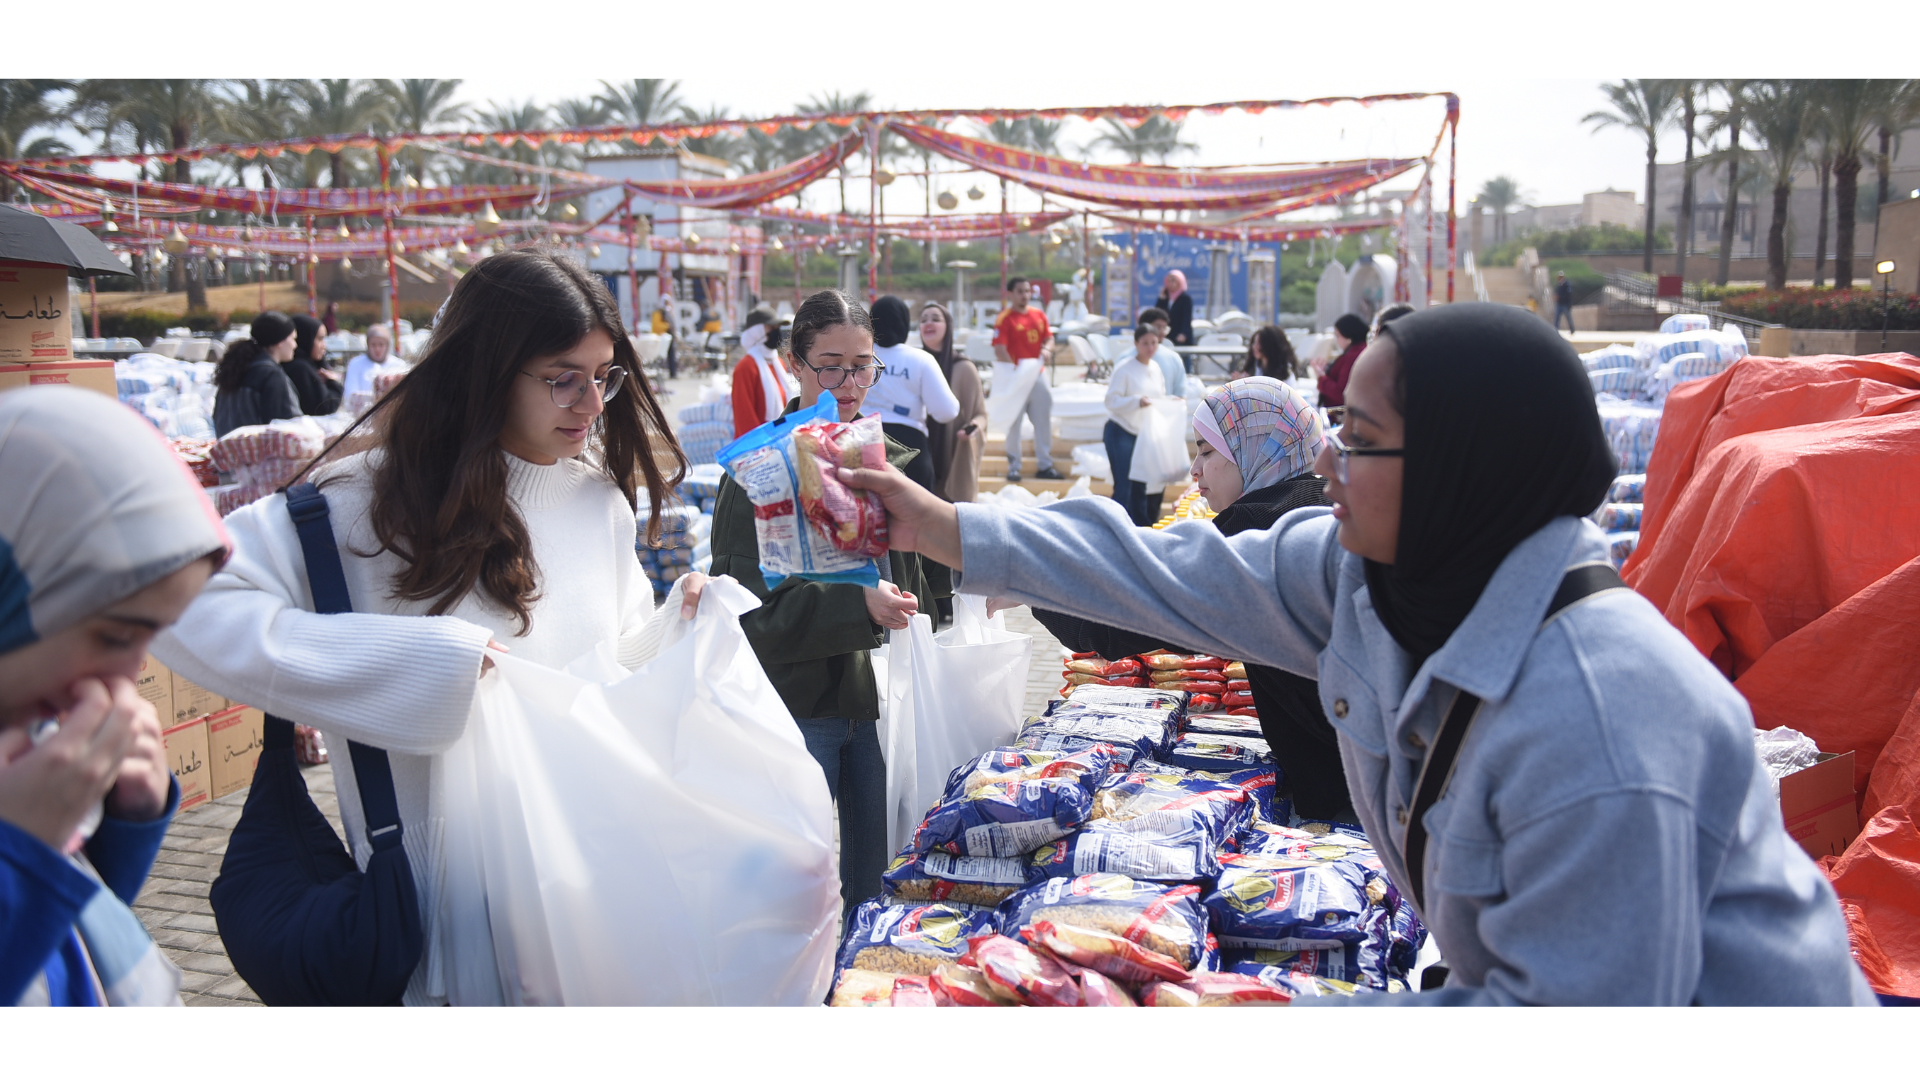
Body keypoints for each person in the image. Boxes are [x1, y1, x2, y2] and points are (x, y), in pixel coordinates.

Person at [841, 302, 1873, 1006]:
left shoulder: (1604, 723)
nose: (1329, 455)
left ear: (1464, 468)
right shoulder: (1365, 580)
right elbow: (1156, 571)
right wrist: (941, 527)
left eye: (1363, 436)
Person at [153, 250, 703, 1006]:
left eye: (603, 376)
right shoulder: (351, 507)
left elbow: (609, 671)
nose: (591, 402)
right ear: (483, 369)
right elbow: (181, 603)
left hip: (580, 902)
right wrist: (412, 663)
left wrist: (680, 629)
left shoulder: (596, 504)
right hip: (430, 933)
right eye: (562, 377)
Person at [708, 288, 948, 913]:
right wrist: (858, 610)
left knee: (876, 882)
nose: (848, 382)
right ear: (794, 362)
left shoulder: (878, 459)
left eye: (862, 365)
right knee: (793, 890)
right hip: (797, 709)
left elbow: (913, 572)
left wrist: (969, 584)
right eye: (831, 364)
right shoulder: (760, 469)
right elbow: (748, 615)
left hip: (873, 706)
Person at [1027, 377, 1353, 820]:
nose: (1194, 470)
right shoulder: (1318, 504)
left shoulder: (1258, 526)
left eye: (1206, 450)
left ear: (1253, 449)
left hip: (1349, 791)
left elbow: (1135, 616)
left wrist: (1031, 580)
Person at [1, 387, 229, 1007]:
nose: (131, 673)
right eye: (113, 635)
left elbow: (73, 932)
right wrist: (19, 850)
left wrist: (127, 821)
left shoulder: (24, 746)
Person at [862, 296, 960, 493]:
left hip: (860, 440)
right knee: (915, 518)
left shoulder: (859, 357)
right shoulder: (921, 359)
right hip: (909, 449)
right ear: (905, 323)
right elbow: (946, 411)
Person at [991, 277, 1061, 483]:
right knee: (1014, 422)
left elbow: (1049, 337)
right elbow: (999, 347)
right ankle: (1014, 466)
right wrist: (1013, 370)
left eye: (1027, 291)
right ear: (1010, 294)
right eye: (1020, 291)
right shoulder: (1005, 318)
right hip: (1016, 377)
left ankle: (1045, 465)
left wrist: (1047, 349)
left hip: (1036, 374)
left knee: (1043, 420)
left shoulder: (1038, 315)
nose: (1025, 295)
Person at [919, 301, 987, 504]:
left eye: (935, 319)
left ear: (948, 327)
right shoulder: (914, 365)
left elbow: (980, 414)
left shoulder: (964, 368)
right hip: (920, 453)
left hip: (951, 450)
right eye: (923, 320)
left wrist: (972, 429)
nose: (928, 323)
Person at [1102, 325, 1168, 526]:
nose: (1150, 348)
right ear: (1136, 344)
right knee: (1124, 484)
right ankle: (1115, 527)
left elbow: (1159, 397)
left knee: (1140, 483)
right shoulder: (1125, 369)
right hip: (1121, 430)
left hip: (1143, 432)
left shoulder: (1156, 368)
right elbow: (1111, 401)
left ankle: (1140, 526)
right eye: (1145, 343)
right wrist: (1136, 401)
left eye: (1154, 343)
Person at [212, 311, 303, 436]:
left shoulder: (237, 367)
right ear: (279, 341)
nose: (295, 345)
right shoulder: (270, 375)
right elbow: (288, 427)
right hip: (255, 452)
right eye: (293, 339)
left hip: (228, 450)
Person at [729, 308, 792, 437]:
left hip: (780, 439)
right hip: (760, 446)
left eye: (777, 327)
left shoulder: (778, 363)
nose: (776, 331)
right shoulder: (746, 367)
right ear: (756, 332)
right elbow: (744, 415)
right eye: (771, 327)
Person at [283, 313, 342, 417]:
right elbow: (325, 407)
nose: (324, 345)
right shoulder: (300, 368)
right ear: (305, 339)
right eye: (320, 339)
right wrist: (333, 383)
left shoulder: (309, 364)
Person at [1316, 313, 1369, 408]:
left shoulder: (1352, 357)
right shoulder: (1363, 350)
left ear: (1348, 337)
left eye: (1337, 336)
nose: (1336, 340)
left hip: (1341, 414)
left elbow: (1341, 393)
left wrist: (1322, 377)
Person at [343, 323, 406, 401]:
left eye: (381, 344)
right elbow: (350, 395)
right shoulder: (355, 364)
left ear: (387, 345)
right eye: (373, 345)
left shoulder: (399, 365)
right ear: (368, 344)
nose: (377, 349)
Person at [1236, 324, 1301, 382]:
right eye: (1254, 343)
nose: (1254, 347)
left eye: (1258, 343)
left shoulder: (1284, 370)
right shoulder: (1256, 366)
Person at [1155, 269, 1195, 349]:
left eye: (1173, 281)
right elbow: (1157, 314)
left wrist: (1184, 333)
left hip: (1180, 337)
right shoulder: (1165, 298)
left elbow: (1187, 318)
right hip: (1167, 336)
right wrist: (1160, 299)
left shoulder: (1185, 299)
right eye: (1168, 281)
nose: (1171, 284)